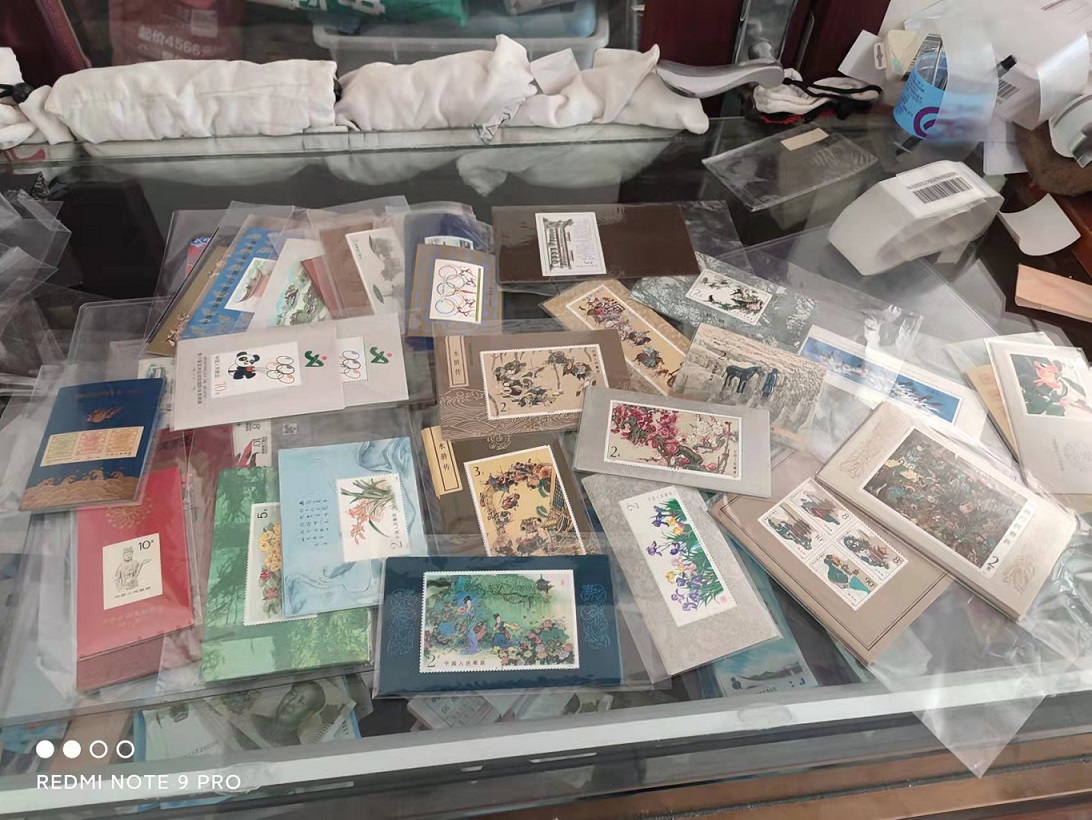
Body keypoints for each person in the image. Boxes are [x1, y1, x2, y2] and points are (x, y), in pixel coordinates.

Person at [235, 682, 327, 749]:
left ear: (307, 715)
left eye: (301, 702)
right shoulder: (252, 720)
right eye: (292, 694)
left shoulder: (293, 750)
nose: (291, 703)